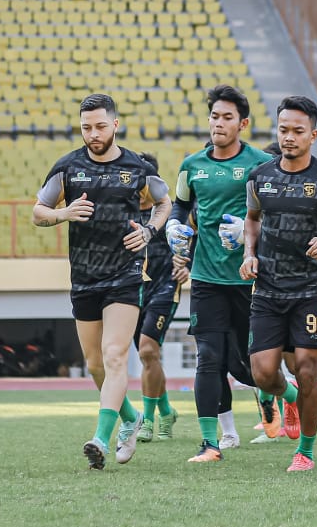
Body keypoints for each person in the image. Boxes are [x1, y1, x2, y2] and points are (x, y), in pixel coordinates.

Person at [35, 93, 170, 469]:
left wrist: (148, 232)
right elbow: (37, 212)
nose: (92, 134)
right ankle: (131, 417)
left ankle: (100, 438)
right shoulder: (67, 167)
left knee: (114, 356)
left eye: (99, 126)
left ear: (115, 124)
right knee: (95, 364)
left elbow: (164, 202)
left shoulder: (137, 167)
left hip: (125, 275)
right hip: (84, 277)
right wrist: (63, 213)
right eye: (85, 128)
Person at [242, 96, 317, 472]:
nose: (289, 137)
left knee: (308, 368)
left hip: (310, 288)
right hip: (268, 287)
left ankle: (305, 452)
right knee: (261, 372)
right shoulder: (260, 177)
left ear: (313, 135)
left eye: (297, 131)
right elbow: (253, 219)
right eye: (283, 130)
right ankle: (291, 397)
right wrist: (249, 253)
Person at [167, 85, 275, 462]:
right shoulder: (191, 165)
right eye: (214, 116)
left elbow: (278, 216)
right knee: (208, 357)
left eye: (227, 117)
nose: (219, 123)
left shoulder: (263, 164)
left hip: (251, 278)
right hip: (207, 277)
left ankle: (290, 395)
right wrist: (173, 228)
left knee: (253, 369)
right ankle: (211, 443)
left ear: (242, 123)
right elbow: (180, 207)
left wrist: (250, 233)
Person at [132, 152, 180, 444]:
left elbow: (194, 238)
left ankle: (148, 420)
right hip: (131, 289)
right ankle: (166, 410)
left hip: (165, 287)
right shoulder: (125, 209)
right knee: (147, 355)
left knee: (148, 351)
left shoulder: (169, 211)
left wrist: (186, 263)